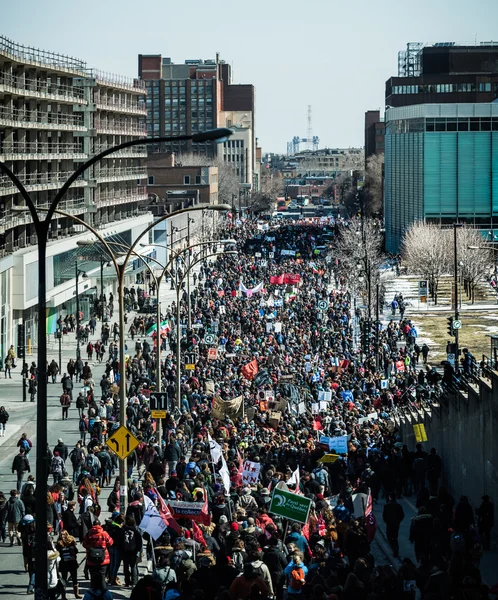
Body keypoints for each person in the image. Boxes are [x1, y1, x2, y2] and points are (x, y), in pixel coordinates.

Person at [82, 518, 114, 589]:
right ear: (100, 525)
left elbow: (84, 544)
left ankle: (93, 592)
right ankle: (103, 593)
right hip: (103, 559)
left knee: (93, 578)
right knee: (102, 577)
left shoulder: (89, 533)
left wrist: (90, 548)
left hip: (91, 559)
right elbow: (111, 542)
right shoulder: (104, 533)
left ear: (93, 525)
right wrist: (104, 547)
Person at [56, 529, 82, 598]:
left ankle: (76, 594)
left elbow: (76, 551)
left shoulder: (71, 541)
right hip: (64, 563)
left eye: (63, 534)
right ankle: (63, 596)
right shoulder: (59, 543)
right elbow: (57, 553)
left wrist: (72, 549)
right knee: (63, 580)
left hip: (72, 562)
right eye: (61, 535)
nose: (62, 536)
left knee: (74, 579)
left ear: (66, 534)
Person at [122, 515, 143, 587]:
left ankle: (127, 581)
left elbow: (119, 540)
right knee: (133, 566)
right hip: (133, 551)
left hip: (125, 551)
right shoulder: (136, 531)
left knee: (126, 566)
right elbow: (139, 541)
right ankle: (134, 582)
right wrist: (139, 550)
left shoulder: (123, 529)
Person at [382, 492, 405, 557]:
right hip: (396, 524)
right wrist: (398, 521)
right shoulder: (398, 506)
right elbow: (402, 515)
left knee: (389, 537)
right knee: (395, 537)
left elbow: (384, 515)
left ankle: (394, 549)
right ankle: (396, 548)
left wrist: (386, 521)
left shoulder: (386, 506)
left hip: (389, 524)